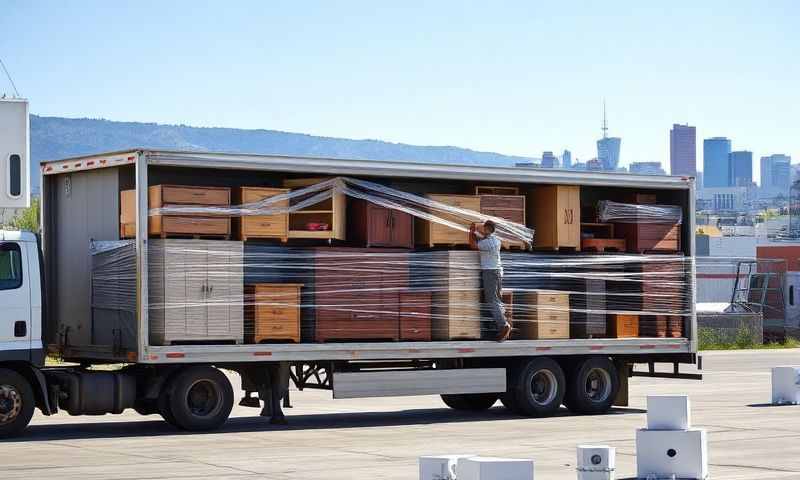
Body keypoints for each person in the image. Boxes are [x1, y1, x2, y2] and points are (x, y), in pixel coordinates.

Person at [471, 220, 511, 341]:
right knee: (497, 299)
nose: (481, 229)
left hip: (490, 272)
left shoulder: (487, 243)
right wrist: (477, 232)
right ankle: (503, 326)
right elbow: (482, 238)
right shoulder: (495, 240)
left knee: (491, 300)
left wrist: (471, 231)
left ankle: (504, 325)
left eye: (483, 227)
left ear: (488, 229)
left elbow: (473, 245)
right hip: (497, 272)